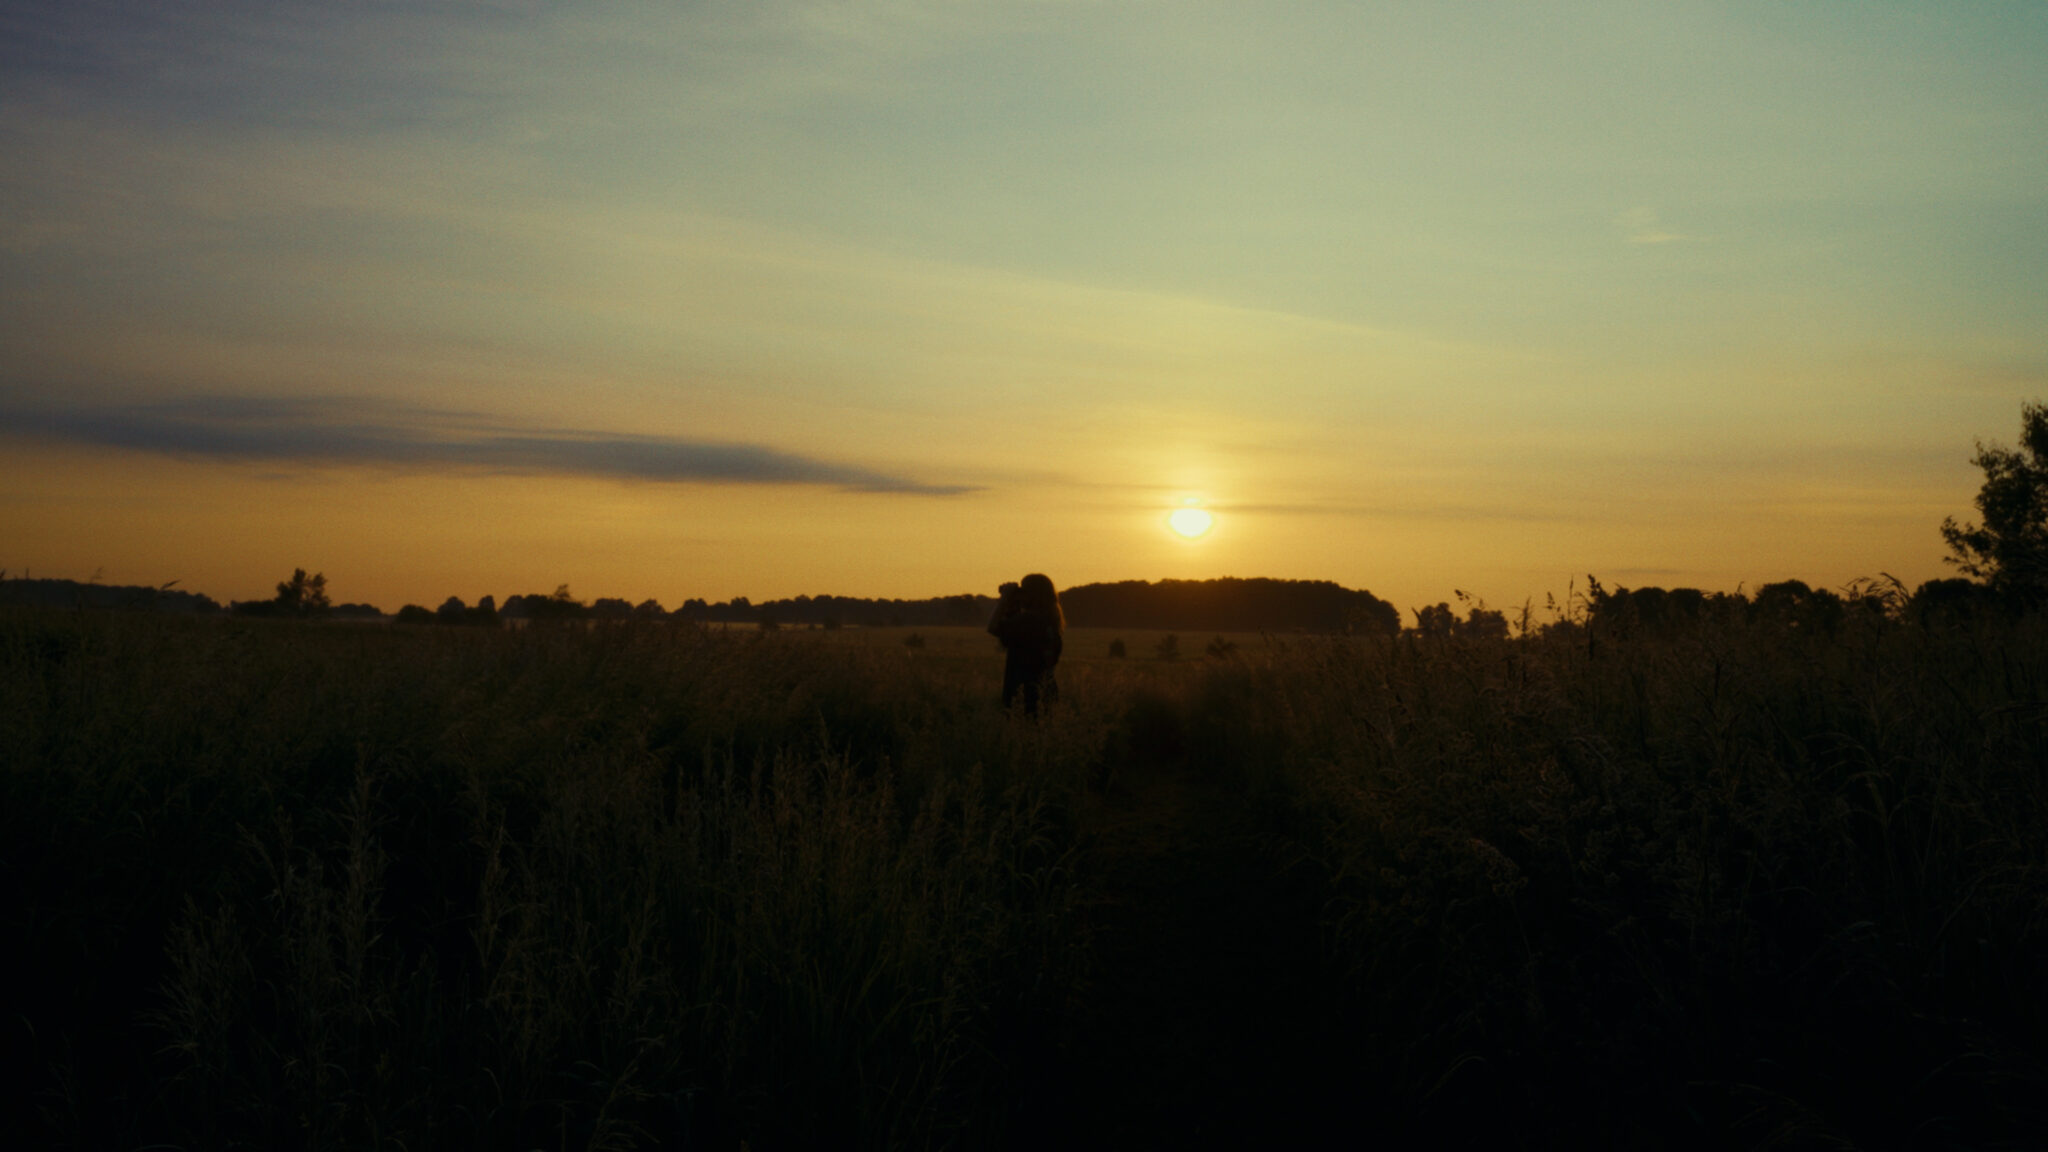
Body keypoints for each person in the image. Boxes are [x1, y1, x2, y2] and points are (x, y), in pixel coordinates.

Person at [987, 572, 1064, 716]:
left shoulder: (1029, 620)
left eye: (1023, 591)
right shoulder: (1049, 620)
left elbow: (993, 627)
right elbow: (1013, 639)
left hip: (1024, 696)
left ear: (1032, 595)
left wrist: (1004, 599)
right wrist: (1013, 607)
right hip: (1046, 693)